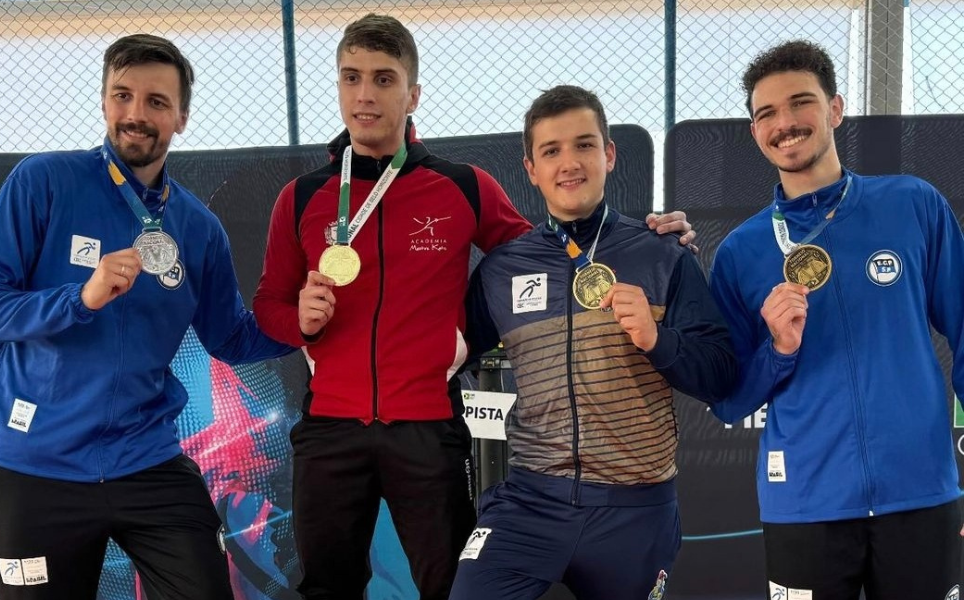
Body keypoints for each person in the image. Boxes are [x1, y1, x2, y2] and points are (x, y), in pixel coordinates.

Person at [252, 15, 697, 600]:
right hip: (329, 429)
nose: (365, 94)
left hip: (428, 429)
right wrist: (299, 320)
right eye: (351, 77)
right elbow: (268, 307)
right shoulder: (302, 197)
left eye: (384, 79)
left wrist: (644, 236)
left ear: (411, 95)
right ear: (338, 86)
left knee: (448, 587)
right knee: (328, 588)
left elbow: (555, 250)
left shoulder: (462, 187)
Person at [0, 34, 292, 600]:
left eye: (157, 102)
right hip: (36, 467)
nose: (136, 115)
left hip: (146, 460)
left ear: (181, 117)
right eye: (123, 96)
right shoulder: (43, 182)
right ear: (104, 102)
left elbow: (231, 337)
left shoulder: (196, 228)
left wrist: (303, 325)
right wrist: (78, 299)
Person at [448, 85, 737, 600]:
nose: (569, 163)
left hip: (635, 508)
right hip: (530, 502)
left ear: (608, 154)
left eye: (584, 145)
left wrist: (657, 340)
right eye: (551, 150)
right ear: (531, 168)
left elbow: (720, 373)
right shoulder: (502, 269)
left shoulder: (662, 253)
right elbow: (446, 352)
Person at [708, 40, 964, 600]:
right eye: (766, 114)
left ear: (835, 109)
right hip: (804, 501)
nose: (785, 123)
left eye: (801, 102)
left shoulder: (912, 204)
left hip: (919, 491)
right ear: (755, 133)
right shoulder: (740, 252)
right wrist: (777, 349)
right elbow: (728, 399)